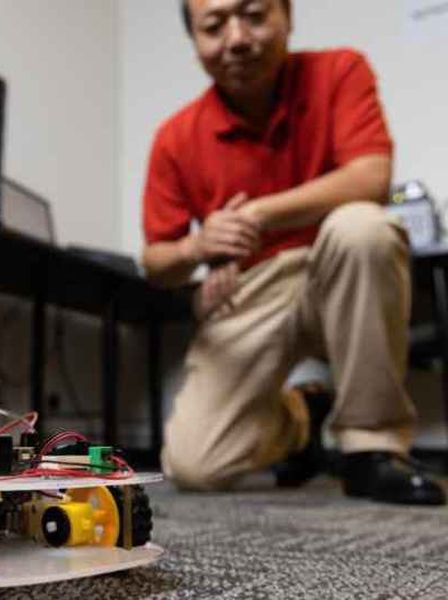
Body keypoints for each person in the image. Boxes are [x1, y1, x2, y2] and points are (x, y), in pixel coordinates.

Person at [141, 0, 445, 505]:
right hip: (252, 289)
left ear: (288, 16)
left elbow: (370, 179)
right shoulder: (174, 138)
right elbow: (155, 262)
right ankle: (304, 417)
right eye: (214, 26)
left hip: (339, 267)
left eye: (254, 15)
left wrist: (256, 216)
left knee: (364, 228)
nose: (237, 38)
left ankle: (371, 448)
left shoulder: (341, 70)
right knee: (195, 465)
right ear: (195, 41)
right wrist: (198, 246)